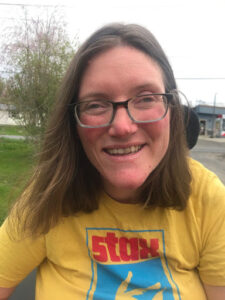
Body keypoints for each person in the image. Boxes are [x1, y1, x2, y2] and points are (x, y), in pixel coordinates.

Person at [0, 23, 225, 300]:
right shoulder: (49, 195)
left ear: (171, 112)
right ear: (73, 124)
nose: (122, 127)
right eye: (96, 104)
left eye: (145, 98)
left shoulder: (208, 198)